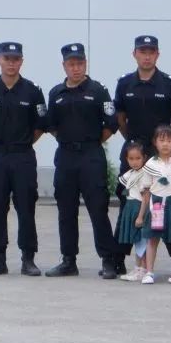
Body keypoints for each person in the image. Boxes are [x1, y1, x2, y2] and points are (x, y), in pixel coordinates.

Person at [114, 35, 171, 276]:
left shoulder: (169, 83)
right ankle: (124, 260)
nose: (147, 56)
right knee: (131, 207)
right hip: (134, 154)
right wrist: (133, 144)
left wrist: (164, 144)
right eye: (142, 51)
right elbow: (120, 118)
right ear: (134, 54)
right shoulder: (125, 83)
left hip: (161, 155)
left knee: (166, 206)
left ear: (158, 54)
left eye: (151, 52)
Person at [45, 43, 119, 279]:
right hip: (66, 157)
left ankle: (108, 260)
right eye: (71, 64)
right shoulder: (56, 93)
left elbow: (111, 125)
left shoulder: (98, 90)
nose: (76, 68)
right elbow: (52, 126)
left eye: (80, 63)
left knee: (98, 209)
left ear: (85, 64)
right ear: (64, 65)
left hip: (91, 156)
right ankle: (68, 260)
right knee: (66, 211)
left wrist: (90, 142)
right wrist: (69, 142)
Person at [0, 41, 48, 277]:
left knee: (26, 207)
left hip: (23, 156)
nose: (11, 63)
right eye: (7, 58)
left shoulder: (32, 91)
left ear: (21, 61)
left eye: (15, 59)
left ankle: (28, 259)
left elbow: (40, 126)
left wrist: (21, 144)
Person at [138, 125, 171, 285]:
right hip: (156, 205)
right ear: (155, 142)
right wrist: (142, 213)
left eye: (170, 140)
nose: (166, 144)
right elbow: (146, 189)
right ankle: (149, 272)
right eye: (162, 140)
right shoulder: (150, 164)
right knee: (152, 239)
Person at [116, 142, 148, 282]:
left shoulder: (144, 174)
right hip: (130, 207)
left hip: (139, 208)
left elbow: (146, 198)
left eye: (138, 158)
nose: (134, 162)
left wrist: (141, 215)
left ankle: (144, 268)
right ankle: (138, 267)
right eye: (131, 159)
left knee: (142, 240)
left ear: (144, 158)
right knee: (136, 240)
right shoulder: (129, 174)